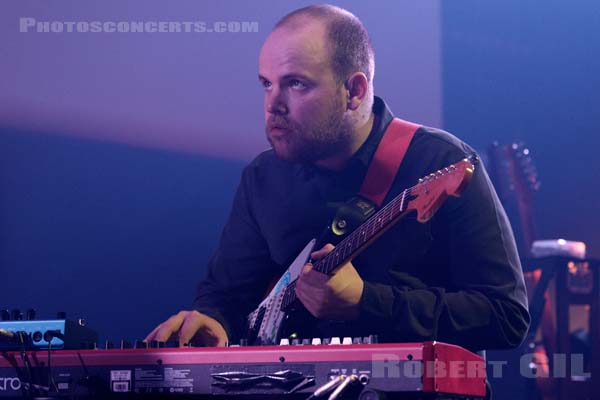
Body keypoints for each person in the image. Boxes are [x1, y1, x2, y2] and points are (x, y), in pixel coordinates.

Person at [145, 4, 530, 352]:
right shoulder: (263, 177)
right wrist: (212, 320)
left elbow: (505, 317)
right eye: (267, 83)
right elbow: (225, 297)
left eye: (296, 84)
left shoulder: (439, 160)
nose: (272, 105)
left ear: (354, 91)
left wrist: (367, 301)